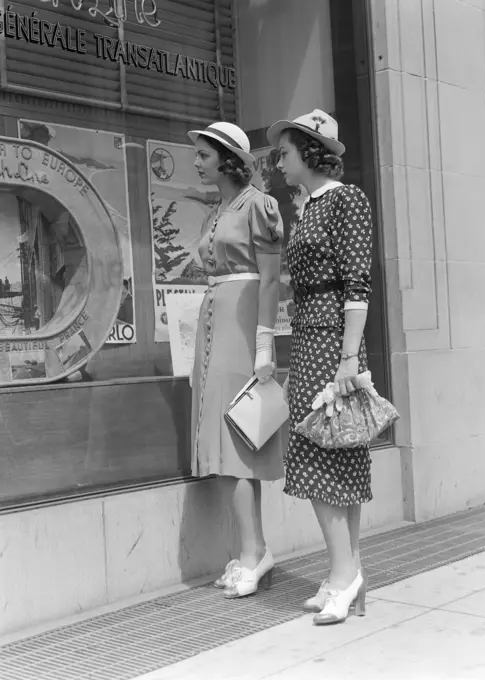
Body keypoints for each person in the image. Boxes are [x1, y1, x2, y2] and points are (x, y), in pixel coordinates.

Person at [266, 110, 373, 625]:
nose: (278, 162)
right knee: (333, 456)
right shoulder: (310, 206)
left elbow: (357, 284)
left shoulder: (345, 200)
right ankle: (343, 575)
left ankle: (344, 575)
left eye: (283, 153)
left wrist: (348, 358)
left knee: (319, 458)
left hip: (332, 342)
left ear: (310, 152)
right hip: (313, 337)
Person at [188, 121, 284, 599]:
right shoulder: (219, 208)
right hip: (214, 326)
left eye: (204, 154)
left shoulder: (259, 206)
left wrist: (265, 342)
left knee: (238, 445)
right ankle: (252, 549)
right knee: (227, 449)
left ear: (227, 158)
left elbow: (270, 279)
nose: (197, 161)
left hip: (242, 328)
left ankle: (253, 554)